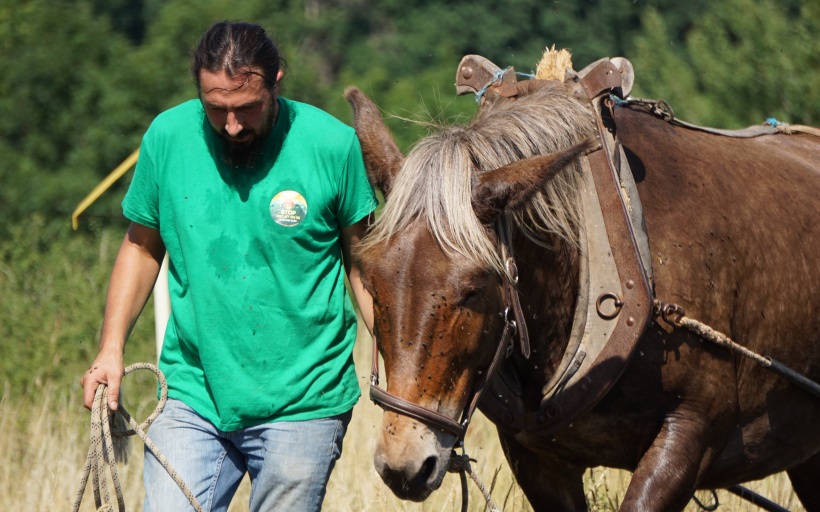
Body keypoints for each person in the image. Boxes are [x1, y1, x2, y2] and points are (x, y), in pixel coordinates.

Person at [80, 20, 376, 512]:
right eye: (215, 109)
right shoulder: (167, 138)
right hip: (192, 391)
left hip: (303, 399)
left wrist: (396, 368)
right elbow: (141, 247)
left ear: (276, 82)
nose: (233, 125)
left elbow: (364, 264)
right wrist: (110, 350)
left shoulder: (332, 146)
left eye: (247, 108)